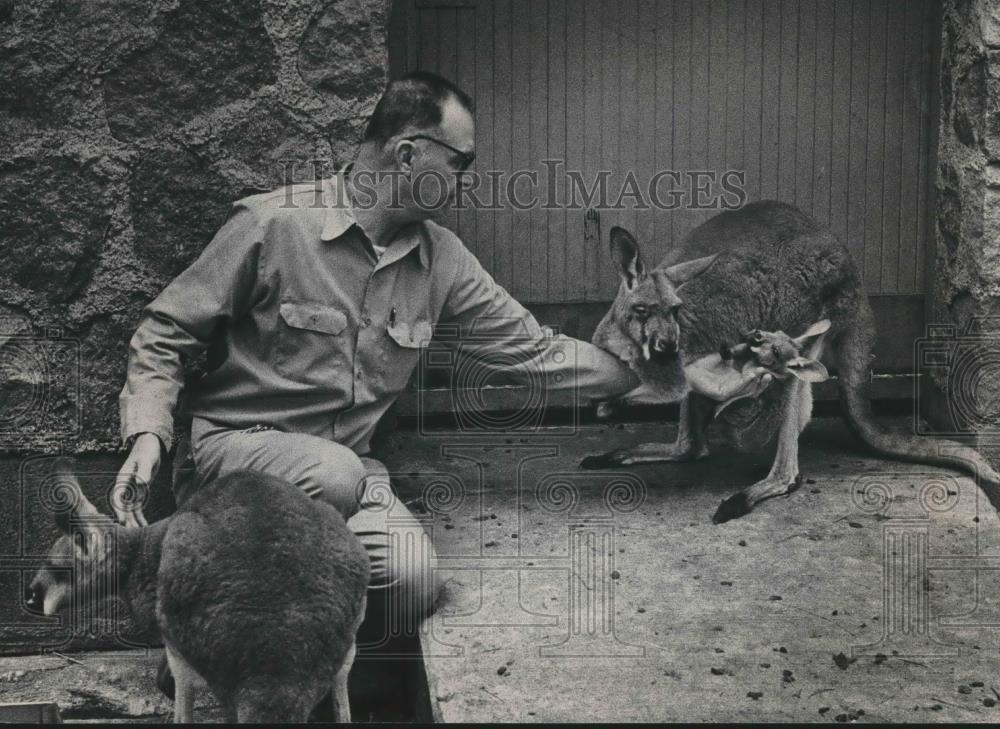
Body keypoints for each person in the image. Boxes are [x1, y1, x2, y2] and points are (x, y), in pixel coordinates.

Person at [114, 71, 769, 691]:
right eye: (459, 163)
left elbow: (533, 350)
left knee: (412, 579)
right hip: (236, 457)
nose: (465, 181)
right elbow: (166, 328)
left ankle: (292, 676)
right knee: (336, 471)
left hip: (346, 473)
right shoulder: (273, 226)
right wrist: (147, 434)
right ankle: (219, 648)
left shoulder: (441, 258)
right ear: (406, 153)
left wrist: (661, 379)